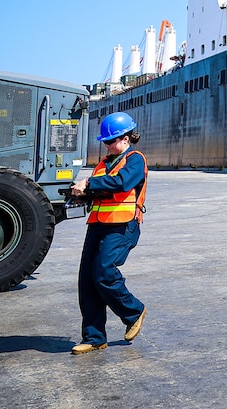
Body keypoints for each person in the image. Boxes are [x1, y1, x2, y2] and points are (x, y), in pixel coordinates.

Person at [69, 112, 149, 353]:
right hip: (98, 224)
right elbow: (101, 190)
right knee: (87, 281)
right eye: (105, 141)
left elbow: (122, 183)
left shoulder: (135, 160)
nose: (107, 145)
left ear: (126, 138)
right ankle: (94, 338)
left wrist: (88, 184)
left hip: (122, 226)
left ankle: (134, 311)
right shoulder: (103, 164)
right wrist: (83, 193)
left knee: (103, 272)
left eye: (111, 141)